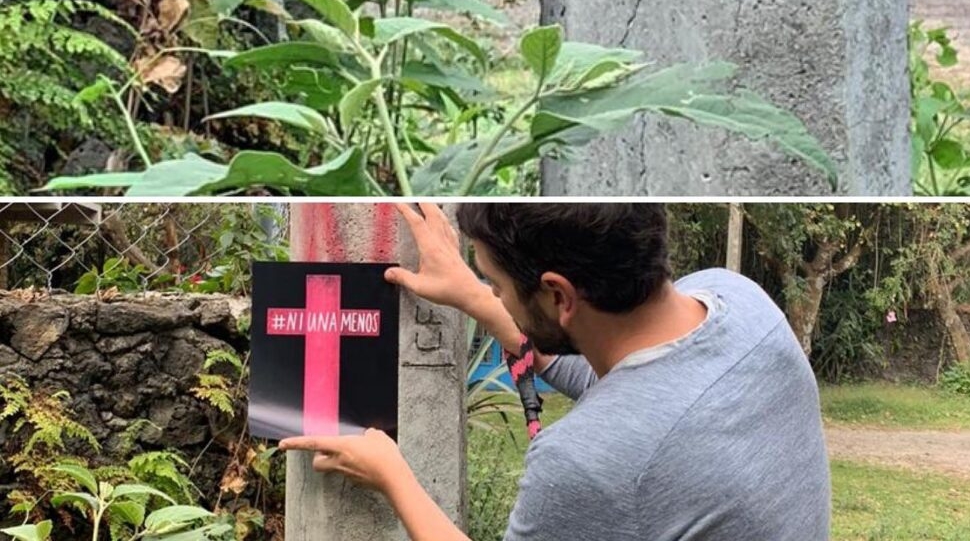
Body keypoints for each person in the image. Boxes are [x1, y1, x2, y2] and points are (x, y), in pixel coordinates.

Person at [280, 203, 831, 540]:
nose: (495, 293)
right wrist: (480, 299)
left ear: (558, 295)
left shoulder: (586, 465)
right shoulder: (741, 301)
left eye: (497, 283)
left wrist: (392, 474)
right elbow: (627, 383)